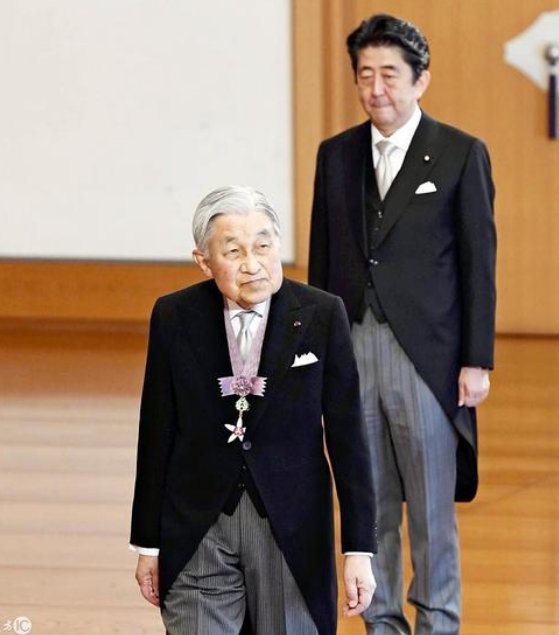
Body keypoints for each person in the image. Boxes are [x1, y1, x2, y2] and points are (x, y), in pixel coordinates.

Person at [308, 14, 496, 635]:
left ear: (421, 80)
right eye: (365, 74)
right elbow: (322, 262)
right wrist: (315, 357)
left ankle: (439, 622)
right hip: (352, 347)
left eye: (389, 73)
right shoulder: (335, 155)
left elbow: (478, 264)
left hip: (428, 356)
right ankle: (381, 622)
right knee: (368, 503)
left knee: (432, 510)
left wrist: (476, 359)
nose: (376, 88)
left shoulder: (461, 153)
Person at [130, 185, 377, 635]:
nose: (252, 263)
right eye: (233, 251)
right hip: (198, 525)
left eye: (263, 246)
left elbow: (349, 440)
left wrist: (358, 549)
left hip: (290, 529)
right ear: (204, 261)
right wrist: (148, 544)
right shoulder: (174, 316)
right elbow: (156, 432)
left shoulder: (322, 314)